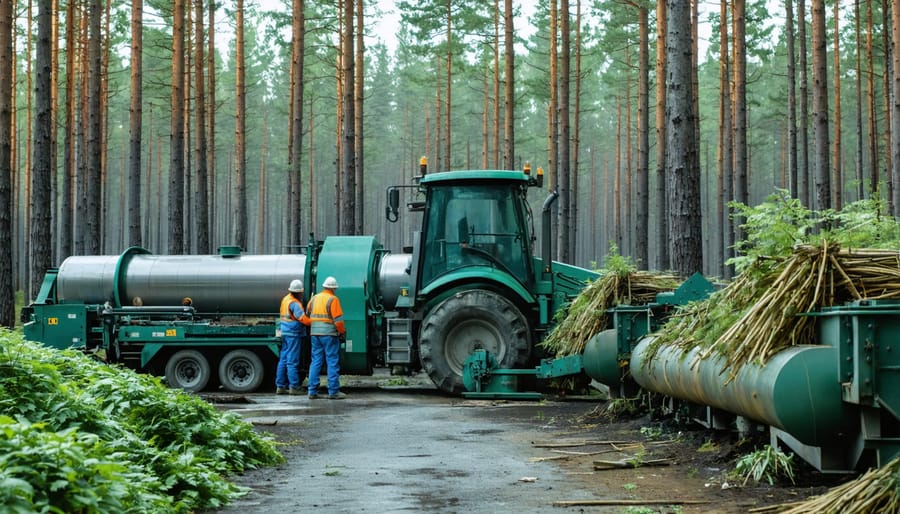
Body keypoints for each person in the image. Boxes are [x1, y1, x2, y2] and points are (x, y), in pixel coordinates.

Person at [301, 276, 346, 400]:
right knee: (332, 362)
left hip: (315, 334)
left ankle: (312, 391)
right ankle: (333, 392)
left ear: (324, 286)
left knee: (316, 361)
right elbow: (338, 321)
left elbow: (307, 315)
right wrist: (342, 332)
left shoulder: (314, 298)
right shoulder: (333, 299)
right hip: (329, 335)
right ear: (333, 288)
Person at [276, 279, 307, 395]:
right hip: (293, 334)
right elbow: (302, 319)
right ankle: (294, 387)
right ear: (299, 292)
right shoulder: (295, 303)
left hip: (285, 332)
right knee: (292, 361)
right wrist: (312, 322)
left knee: (283, 360)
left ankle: (280, 386)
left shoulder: (285, 299)